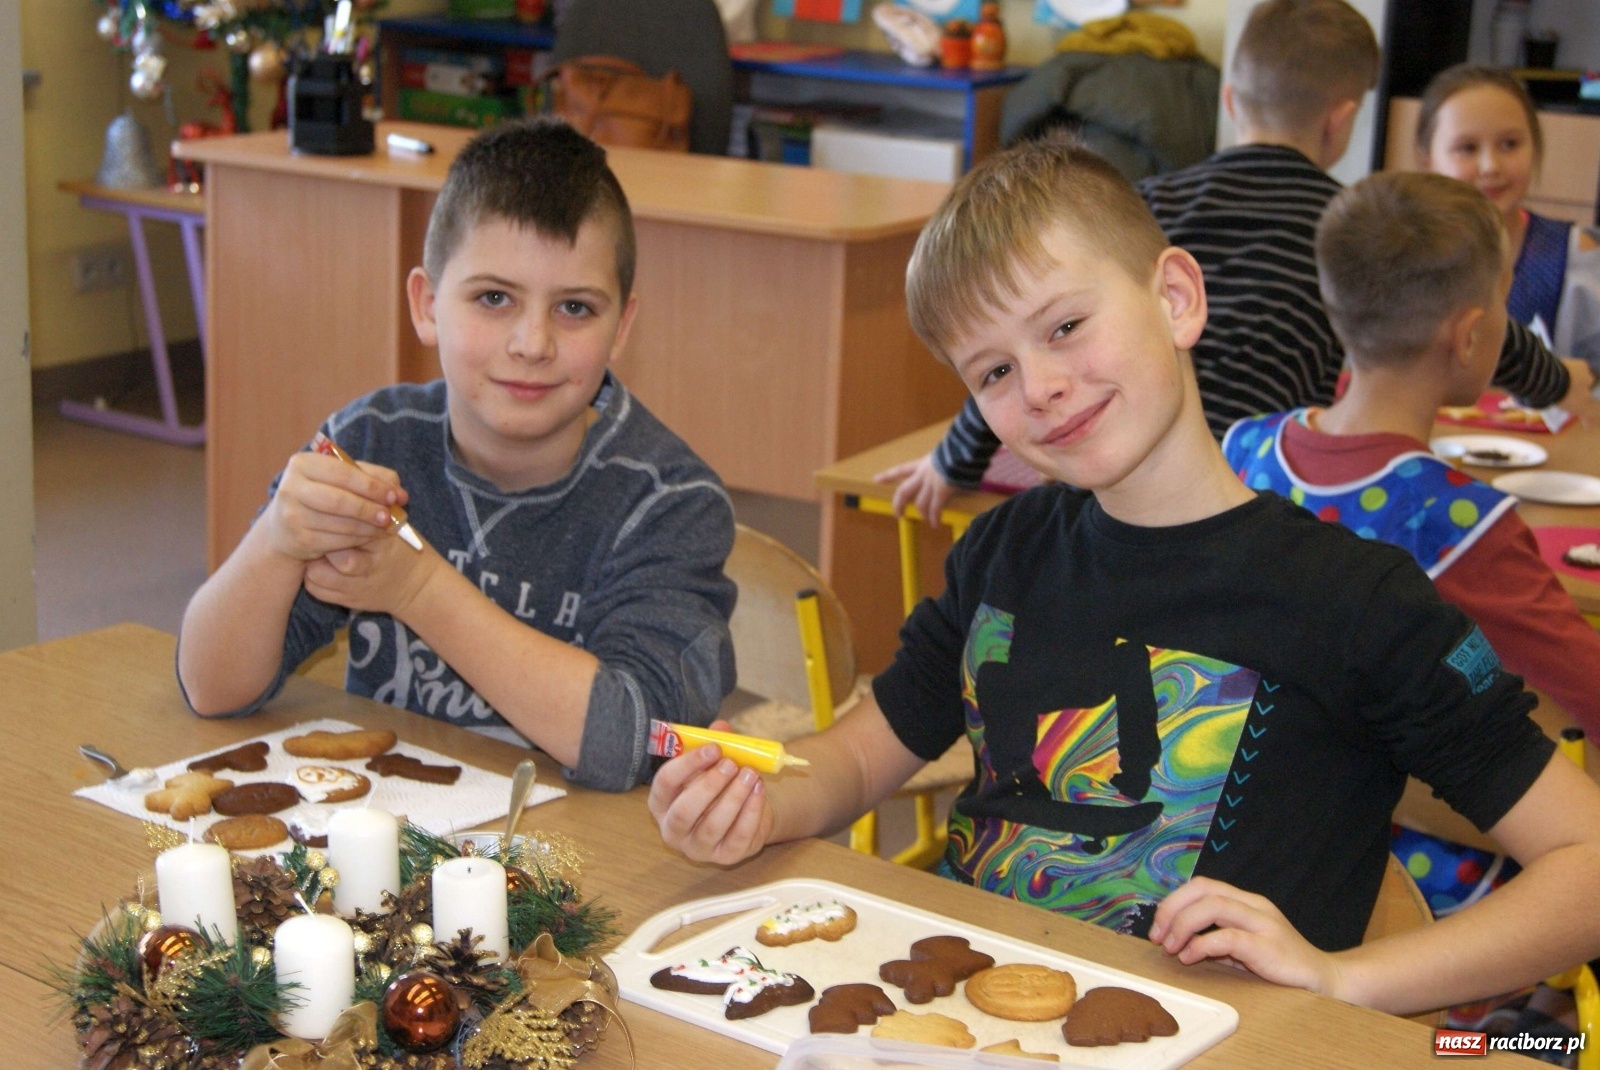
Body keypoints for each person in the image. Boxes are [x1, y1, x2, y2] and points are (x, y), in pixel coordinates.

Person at [648, 134, 1600, 1015]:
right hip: (978, 1017)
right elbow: (858, 757)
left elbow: (1586, 859)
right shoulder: (1001, 551)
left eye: (1064, 326)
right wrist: (758, 800)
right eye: (991, 373)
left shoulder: (1360, 603)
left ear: (1177, 299)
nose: (1040, 387)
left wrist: (1342, 979)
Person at [177, 119, 737, 792]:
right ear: (426, 304)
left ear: (622, 327)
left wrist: (414, 587)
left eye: (576, 309)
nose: (532, 342)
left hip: (583, 866)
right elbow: (211, 688)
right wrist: (275, 542)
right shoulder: (371, 443)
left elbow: (637, 744)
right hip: (388, 842)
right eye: (493, 298)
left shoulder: (669, 501)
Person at [879, 0, 1590, 524]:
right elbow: (1452, 309)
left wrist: (952, 463)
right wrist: (1555, 383)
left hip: (1113, 504)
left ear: (1229, 98)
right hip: (1259, 507)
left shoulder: (1143, 204)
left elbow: (1019, 338)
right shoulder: (1353, 231)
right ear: (1341, 119)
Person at [1223, 171, 1600, 918]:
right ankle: (1514, 1038)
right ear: (1469, 334)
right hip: (1404, 881)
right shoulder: (1459, 525)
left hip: (1244, 835)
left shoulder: (1242, 450)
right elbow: (1588, 686)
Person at [1415, 63, 1600, 377]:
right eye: (1467, 148)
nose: (1490, 166)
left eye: (1509, 145)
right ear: (1426, 160)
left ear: (1536, 148)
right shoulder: (1404, 255)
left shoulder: (1575, 254)